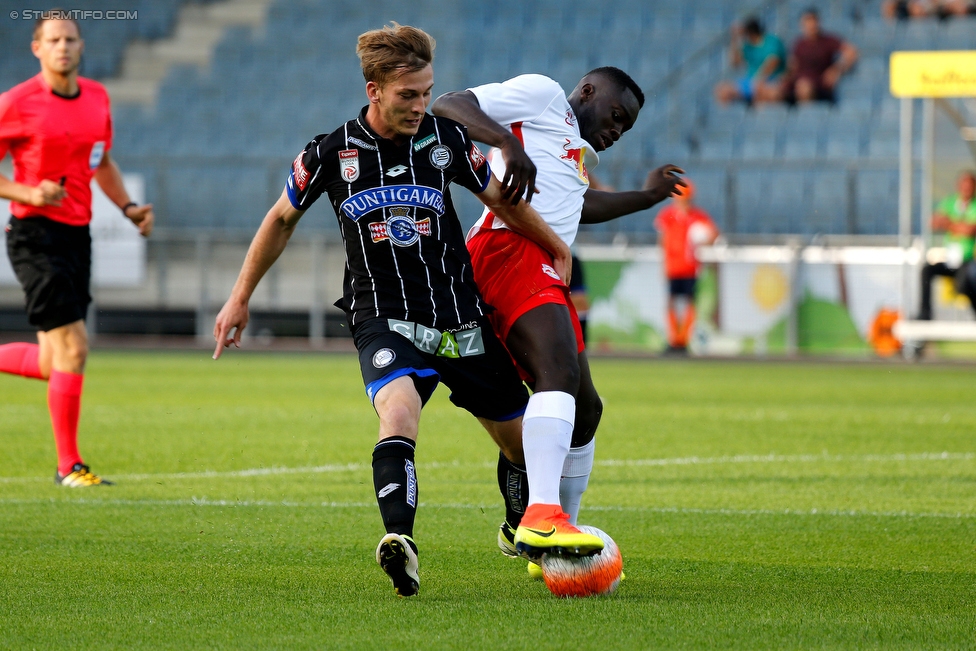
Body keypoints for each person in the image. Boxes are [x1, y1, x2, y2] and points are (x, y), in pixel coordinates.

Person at [212, 23, 604, 598]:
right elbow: (280, 220)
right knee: (398, 414)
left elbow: (502, 200)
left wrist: (554, 242)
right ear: (374, 89)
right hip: (383, 315)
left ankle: (521, 523)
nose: (421, 106)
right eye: (408, 95)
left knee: (526, 445)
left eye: (426, 92)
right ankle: (400, 541)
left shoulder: (444, 140)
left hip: (459, 317)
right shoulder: (330, 152)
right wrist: (240, 295)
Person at [431, 68, 683, 565]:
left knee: (586, 410)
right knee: (559, 376)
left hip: (540, 259)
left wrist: (647, 197)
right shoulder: (545, 97)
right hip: (508, 247)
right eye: (616, 116)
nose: (616, 131)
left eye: (625, 128)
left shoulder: (570, 147)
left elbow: (578, 205)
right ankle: (543, 517)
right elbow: (449, 103)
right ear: (587, 91)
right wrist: (506, 142)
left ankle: (552, 546)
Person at [0, 13, 153, 487]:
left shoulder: (97, 97)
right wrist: (27, 193)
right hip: (34, 234)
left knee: (54, 361)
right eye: (53, 40)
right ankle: (69, 466)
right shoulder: (17, 103)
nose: (63, 47)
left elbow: (100, 159)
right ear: (37, 48)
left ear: (81, 46)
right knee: (75, 348)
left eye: (70, 39)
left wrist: (126, 206)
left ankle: (69, 465)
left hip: (76, 235)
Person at [653, 180, 718, 354]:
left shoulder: (698, 217)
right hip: (673, 266)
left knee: (689, 302)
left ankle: (683, 340)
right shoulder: (668, 215)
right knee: (672, 302)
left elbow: (713, 235)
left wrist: (706, 239)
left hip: (690, 266)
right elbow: (663, 240)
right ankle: (674, 339)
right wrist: (664, 264)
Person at [918, 171, 976, 320]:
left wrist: (949, 223)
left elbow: (970, 230)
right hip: (950, 258)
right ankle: (925, 314)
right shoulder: (950, 202)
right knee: (927, 270)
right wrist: (958, 225)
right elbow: (934, 221)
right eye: (964, 185)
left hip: (968, 260)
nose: (966, 188)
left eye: (970, 185)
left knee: (963, 285)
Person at [777, 8, 858, 104]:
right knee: (770, 92)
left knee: (804, 87)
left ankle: (807, 116)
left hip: (818, 85)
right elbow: (793, 65)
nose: (811, 25)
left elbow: (852, 52)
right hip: (797, 83)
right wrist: (784, 78)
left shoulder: (828, 41)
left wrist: (837, 69)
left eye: (813, 21)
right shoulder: (799, 43)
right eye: (807, 21)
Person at [714, 16, 787, 106]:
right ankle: (727, 117)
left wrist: (759, 78)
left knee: (762, 90)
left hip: (772, 79)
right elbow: (735, 63)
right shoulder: (747, 46)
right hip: (751, 80)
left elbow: (774, 61)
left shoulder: (771, 40)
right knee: (722, 90)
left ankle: (761, 116)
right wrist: (734, 40)